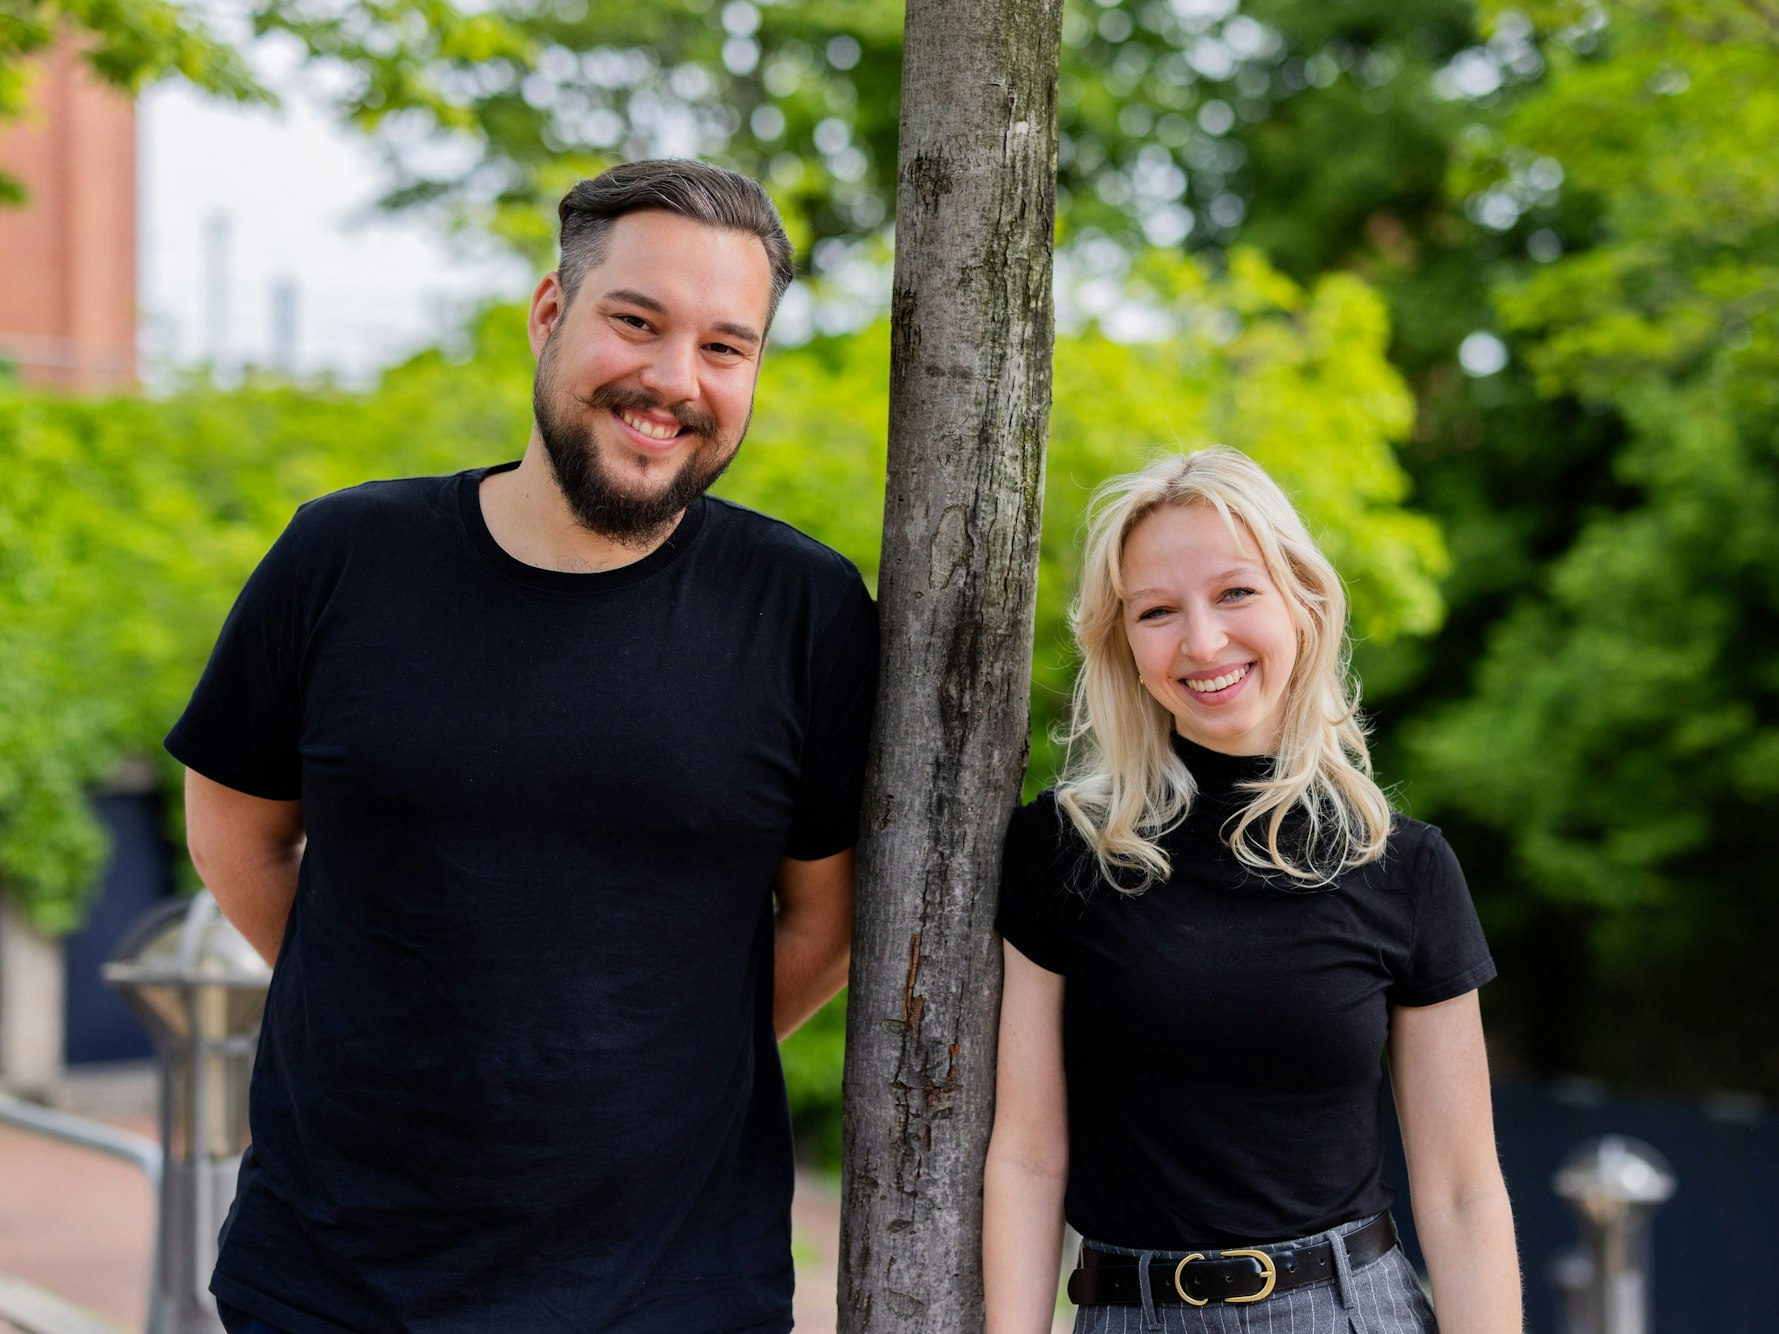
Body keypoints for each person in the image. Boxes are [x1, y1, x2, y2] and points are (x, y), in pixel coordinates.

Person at [168, 160, 876, 1334]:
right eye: (636, 322)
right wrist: (389, 1001)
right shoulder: (343, 556)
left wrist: (658, 1049)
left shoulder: (803, 608)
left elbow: (828, 917)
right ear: (551, 314)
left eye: (724, 346)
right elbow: (233, 831)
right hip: (337, 1280)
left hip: (674, 1291)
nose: (672, 380)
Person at [983, 448, 1519, 1333]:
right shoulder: (1061, 850)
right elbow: (1029, 1157)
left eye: (1235, 593)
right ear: (1123, 645)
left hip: (1347, 1312)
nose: (1201, 641)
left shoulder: (1405, 867)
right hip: (1125, 1313)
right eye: (1157, 611)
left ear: (1302, 602)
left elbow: (1461, 1191)